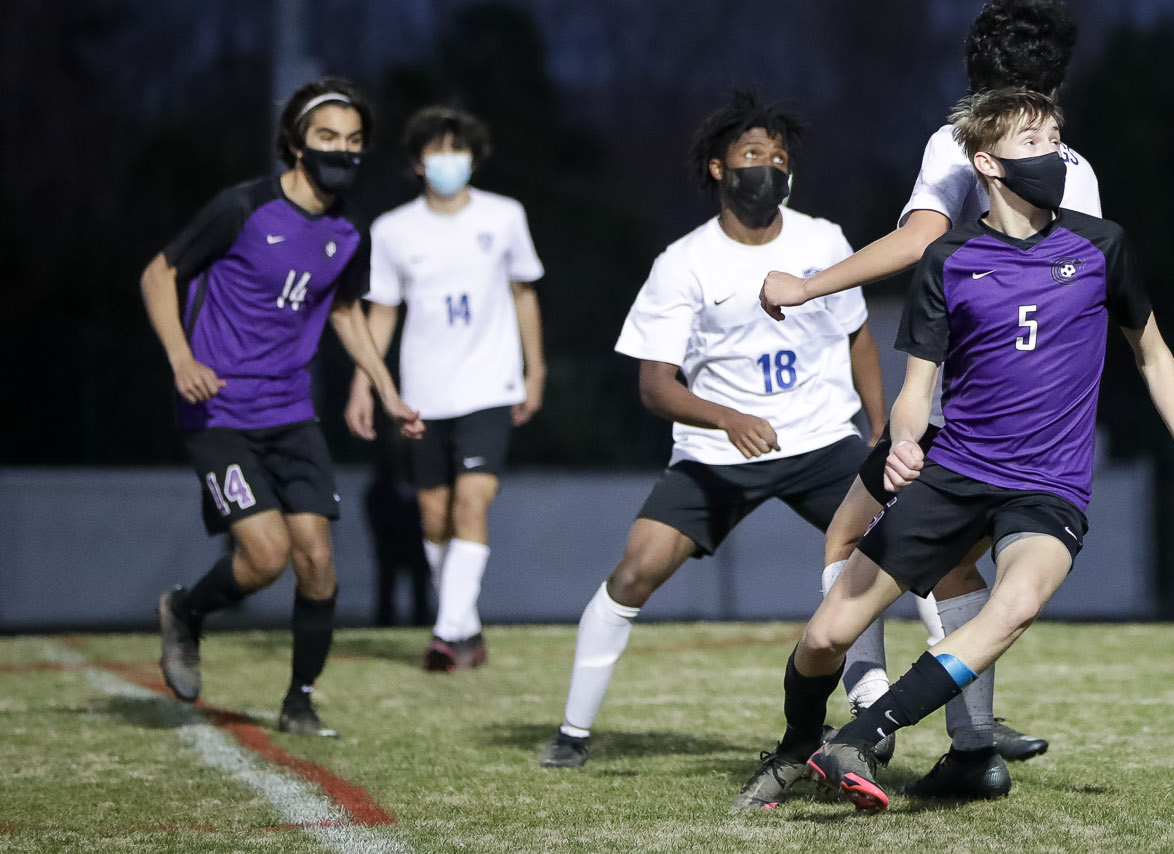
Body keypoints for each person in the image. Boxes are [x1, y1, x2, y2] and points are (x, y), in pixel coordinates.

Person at [732, 87, 1174, 814]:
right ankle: (795, 745)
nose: (1054, 153)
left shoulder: (1101, 246)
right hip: (956, 472)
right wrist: (904, 441)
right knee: (825, 635)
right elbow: (916, 388)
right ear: (987, 162)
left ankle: (866, 733)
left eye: (1057, 136)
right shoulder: (950, 258)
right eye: (1035, 141)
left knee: (1017, 602)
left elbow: (1153, 355)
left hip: (1049, 485)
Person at [757, 0, 1093, 792]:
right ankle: (974, 742)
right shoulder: (1076, 166)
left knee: (847, 535)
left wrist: (808, 286)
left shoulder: (963, 139)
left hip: (967, 411)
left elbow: (918, 240)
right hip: (1048, 424)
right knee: (956, 574)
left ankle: (870, 707)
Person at [538, 93, 887, 769]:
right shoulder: (683, 261)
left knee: (909, 537)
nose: (768, 167)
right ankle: (573, 732)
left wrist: (880, 433)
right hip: (717, 449)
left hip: (821, 438)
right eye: (753, 154)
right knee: (636, 568)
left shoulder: (823, 239)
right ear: (718, 166)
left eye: (779, 156)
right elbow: (654, 384)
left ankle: (936, 719)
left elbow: (860, 339)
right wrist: (728, 417)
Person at [146, 78, 421, 737]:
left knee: (317, 558)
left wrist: (386, 389)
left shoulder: (350, 231)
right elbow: (159, 274)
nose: (343, 150)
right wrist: (183, 359)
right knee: (265, 557)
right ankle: (186, 610)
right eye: (329, 137)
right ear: (297, 142)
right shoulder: (242, 208)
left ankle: (300, 698)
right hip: (218, 412)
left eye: (355, 141)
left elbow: (347, 312)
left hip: (291, 411)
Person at [347, 105, 546, 672]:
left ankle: (445, 632)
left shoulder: (505, 216)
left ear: (474, 158)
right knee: (433, 516)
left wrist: (536, 371)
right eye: (436, 150)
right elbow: (380, 312)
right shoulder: (392, 230)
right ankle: (466, 628)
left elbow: (524, 293)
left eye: (457, 149)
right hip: (422, 392)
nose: (447, 160)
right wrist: (365, 384)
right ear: (417, 162)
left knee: (471, 501)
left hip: (489, 383)